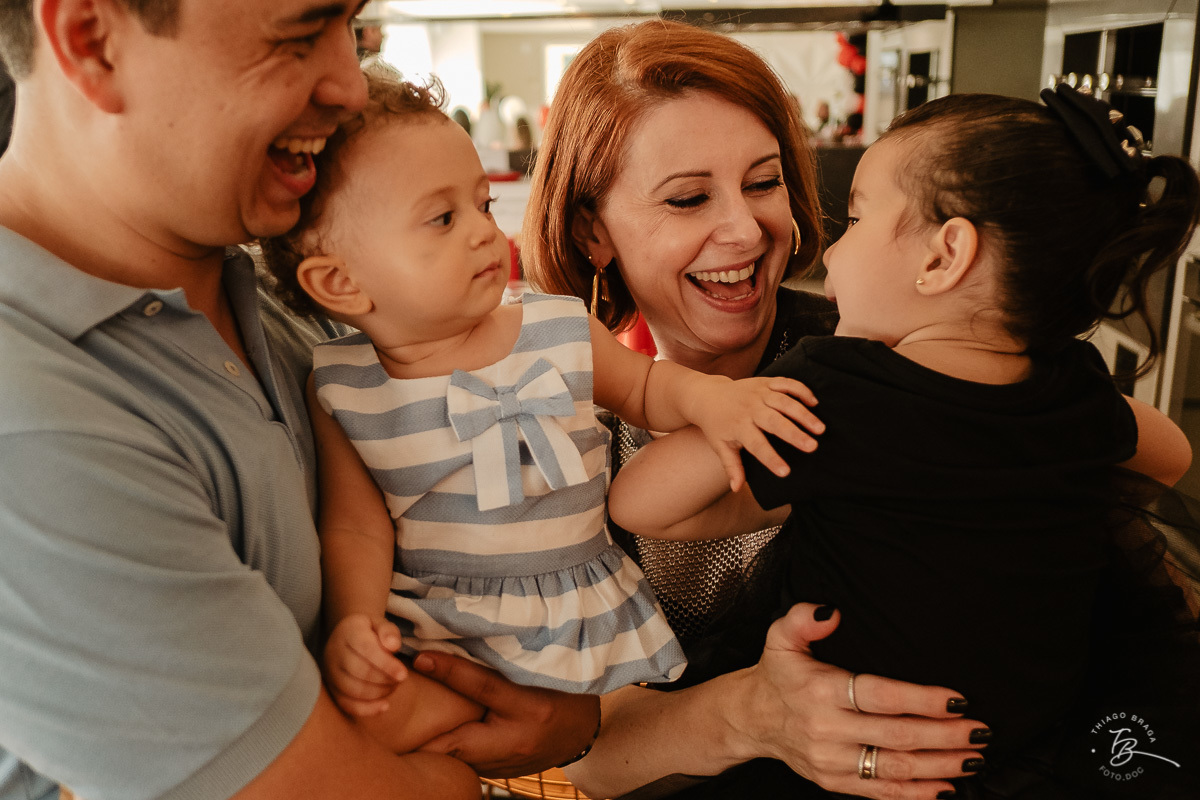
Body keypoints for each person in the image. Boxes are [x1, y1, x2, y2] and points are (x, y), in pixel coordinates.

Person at [0, 2, 599, 798]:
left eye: (349, 27)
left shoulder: (281, 292)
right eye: (297, 35)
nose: (351, 84)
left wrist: (574, 716)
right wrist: (513, 746)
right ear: (93, 42)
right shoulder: (31, 426)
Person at [608, 88, 1200, 798]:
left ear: (945, 255)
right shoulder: (1071, 386)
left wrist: (730, 415)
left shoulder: (837, 390)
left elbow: (640, 500)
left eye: (855, 218)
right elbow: (1171, 454)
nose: (832, 244)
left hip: (851, 770)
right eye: (686, 198)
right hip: (1033, 760)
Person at [259, 64, 826, 754]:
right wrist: (354, 620)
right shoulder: (342, 385)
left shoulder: (556, 329)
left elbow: (647, 388)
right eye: (442, 218)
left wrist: (717, 401)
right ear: (340, 282)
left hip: (571, 604)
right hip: (440, 620)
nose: (481, 232)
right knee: (380, 721)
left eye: (482, 205)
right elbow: (355, 526)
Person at [488, 19, 988, 800]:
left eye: (763, 183)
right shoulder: (553, 428)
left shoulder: (879, 364)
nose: (746, 228)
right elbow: (581, 749)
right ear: (593, 233)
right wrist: (756, 716)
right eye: (688, 198)